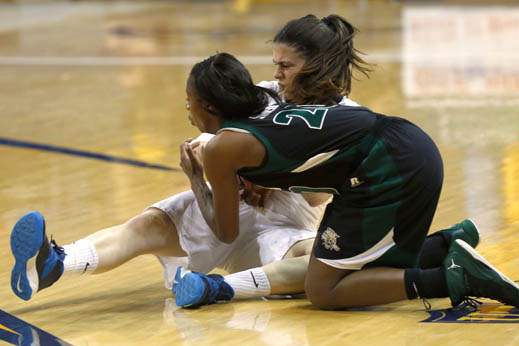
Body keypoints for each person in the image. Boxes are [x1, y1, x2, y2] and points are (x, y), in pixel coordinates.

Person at [8, 14, 478, 305]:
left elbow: (318, 193)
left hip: (293, 212)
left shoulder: (348, 120)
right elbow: (227, 123)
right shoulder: (270, 94)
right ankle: (56, 263)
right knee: (149, 225)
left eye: (284, 65)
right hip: (231, 198)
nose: (273, 74)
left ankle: (226, 289)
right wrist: (214, 163)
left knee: (304, 260)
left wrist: (272, 180)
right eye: (274, 65)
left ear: (314, 66)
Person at [172, 50, 519, 311]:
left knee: (324, 291)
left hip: (385, 165)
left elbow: (226, 232)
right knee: (361, 268)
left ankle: (452, 277)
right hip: (408, 143)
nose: (187, 112)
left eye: (188, 103)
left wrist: (197, 179)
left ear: (207, 105)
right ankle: (444, 245)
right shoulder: (267, 100)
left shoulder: (222, 148)